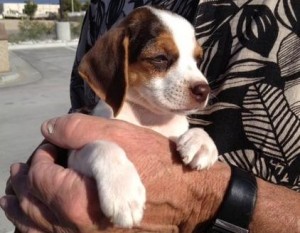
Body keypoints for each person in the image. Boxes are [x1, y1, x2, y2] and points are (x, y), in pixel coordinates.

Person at [1, 0, 300, 232]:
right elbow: (80, 150)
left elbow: (188, 139)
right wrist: (95, 156)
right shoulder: (107, 16)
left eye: (195, 60)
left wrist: (201, 139)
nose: (199, 81)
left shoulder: (179, 119)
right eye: (161, 58)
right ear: (115, 67)